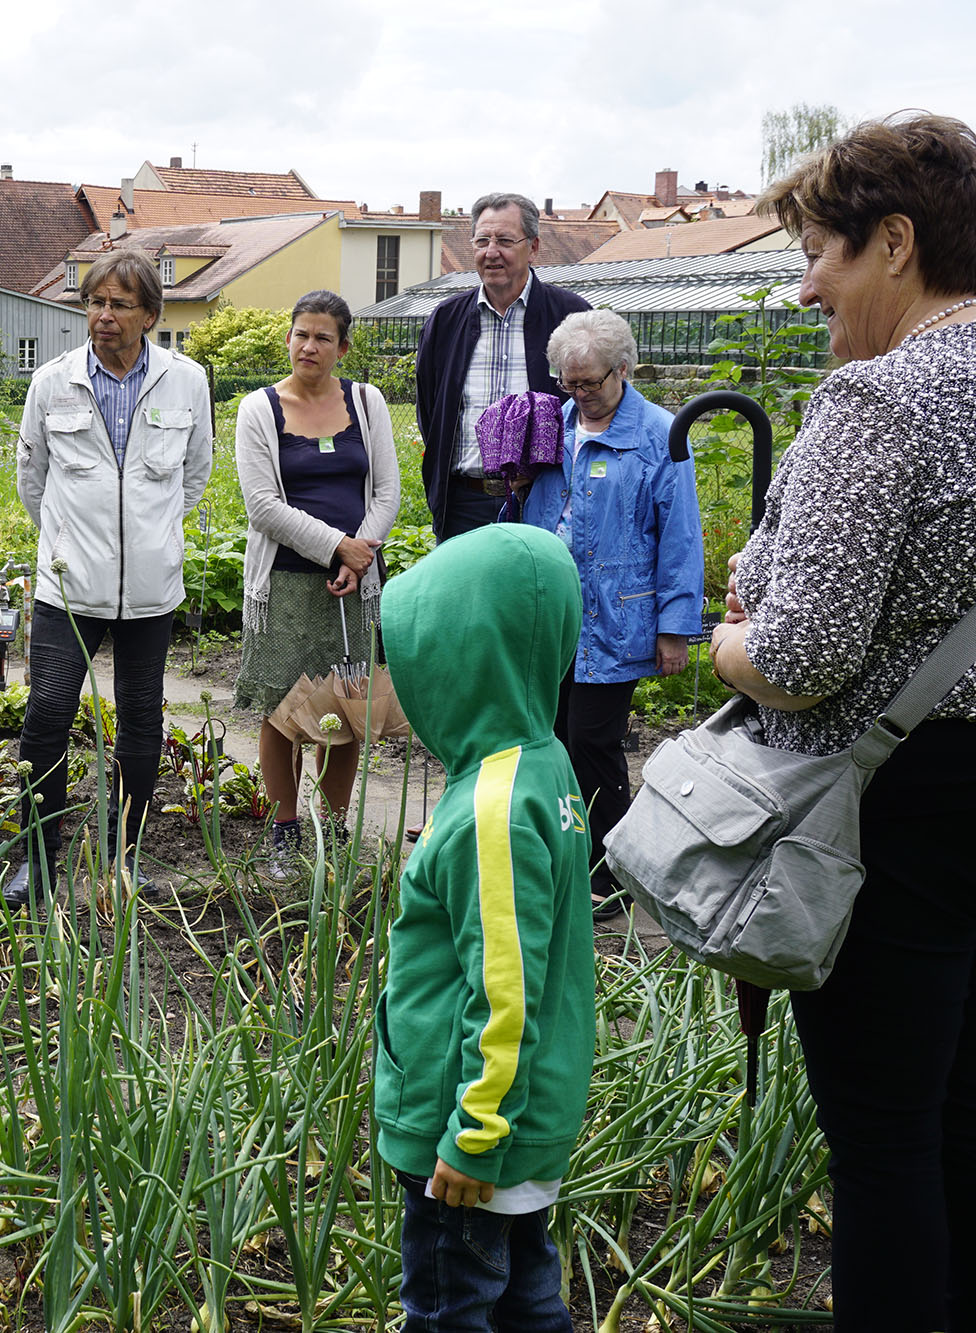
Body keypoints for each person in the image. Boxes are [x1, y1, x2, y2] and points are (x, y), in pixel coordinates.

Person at [711, 112, 976, 1330]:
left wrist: (725, 640)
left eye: (819, 250)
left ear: (895, 242)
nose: (806, 281)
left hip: (886, 821)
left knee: (882, 1142)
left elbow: (801, 654)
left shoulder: (878, 399)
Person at [373, 523, 593, 1332]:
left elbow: (508, 992)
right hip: (518, 1125)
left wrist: (472, 1135)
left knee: (448, 1308)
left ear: (466, 658)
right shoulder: (541, 762)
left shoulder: (490, 811)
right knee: (527, 1296)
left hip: (466, 1132)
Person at [7, 249, 213, 908]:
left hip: (151, 587)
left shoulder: (187, 381)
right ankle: (36, 857)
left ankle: (125, 857)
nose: (103, 315)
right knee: (47, 713)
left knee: (141, 722)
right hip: (69, 587)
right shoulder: (53, 381)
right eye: (96, 302)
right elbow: (31, 479)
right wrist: (73, 541)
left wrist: (149, 537)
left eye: (119, 304)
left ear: (149, 314)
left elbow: (195, 473)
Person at [520, 309, 702, 918]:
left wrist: (676, 627)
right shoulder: (553, 426)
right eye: (568, 383)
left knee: (592, 740)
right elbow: (535, 514)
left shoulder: (660, 434)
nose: (579, 395)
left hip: (617, 617)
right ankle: (564, 853)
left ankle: (609, 870)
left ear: (622, 369)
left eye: (590, 383)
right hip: (554, 612)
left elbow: (680, 536)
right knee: (549, 735)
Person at [234, 291, 401, 880]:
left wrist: (359, 558)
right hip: (283, 583)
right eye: (301, 334)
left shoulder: (367, 400)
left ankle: (331, 828)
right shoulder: (259, 409)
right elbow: (261, 506)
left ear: (342, 347)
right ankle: (283, 832)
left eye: (323, 337)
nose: (310, 346)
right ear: (289, 340)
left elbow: (386, 495)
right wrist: (337, 546)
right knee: (283, 710)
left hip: (354, 586)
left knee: (347, 709)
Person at [416, 193, 590, 541]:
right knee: (465, 596)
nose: (491, 252)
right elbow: (430, 409)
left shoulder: (570, 317)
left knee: (539, 595)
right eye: (482, 241)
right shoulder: (447, 320)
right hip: (463, 503)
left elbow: (591, 409)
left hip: (547, 501)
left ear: (534, 246)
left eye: (505, 241)